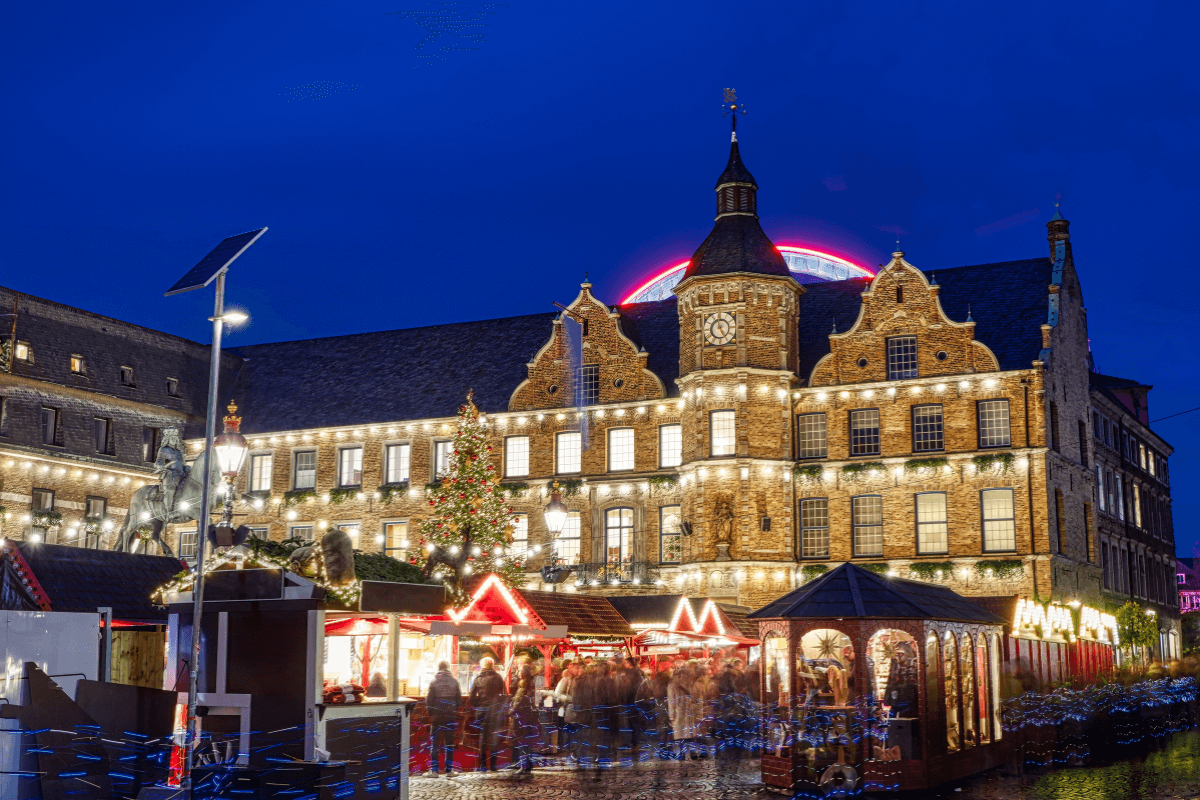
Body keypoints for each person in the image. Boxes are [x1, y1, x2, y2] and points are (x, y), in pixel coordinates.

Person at [468, 657, 507, 772]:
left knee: (483, 737)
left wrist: (478, 704)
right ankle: (493, 765)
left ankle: (483, 765)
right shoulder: (498, 677)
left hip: (482, 711)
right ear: (492, 665)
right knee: (495, 737)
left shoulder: (478, 678)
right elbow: (504, 694)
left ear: (482, 665)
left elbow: (471, 697)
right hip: (496, 711)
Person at [426, 661, 463, 775]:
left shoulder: (434, 681)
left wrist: (431, 714)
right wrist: (453, 710)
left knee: (435, 744)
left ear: (439, 668)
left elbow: (429, 700)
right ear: (448, 668)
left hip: (437, 716)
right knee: (449, 744)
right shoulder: (455, 681)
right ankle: (449, 770)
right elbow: (459, 700)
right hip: (450, 716)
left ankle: (434, 770)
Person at [509, 658, 539, 776]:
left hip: (522, 717)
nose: (519, 673)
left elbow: (521, 702)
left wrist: (512, 711)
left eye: (521, 671)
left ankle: (524, 765)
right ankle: (526, 765)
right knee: (525, 742)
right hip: (526, 717)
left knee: (523, 742)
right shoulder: (525, 685)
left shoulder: (526, 687)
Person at [154, 428, 189, 515]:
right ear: (167, 439)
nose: (174, 439)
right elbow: (159, 460)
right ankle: (169, 512)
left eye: (175, 437)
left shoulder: (179, 452)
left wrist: (188, 468)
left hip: (181, 474)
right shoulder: (163, 449)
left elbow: (183, 464)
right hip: (170, 474)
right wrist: (160, 466)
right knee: (170, 491)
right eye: (171, 437)